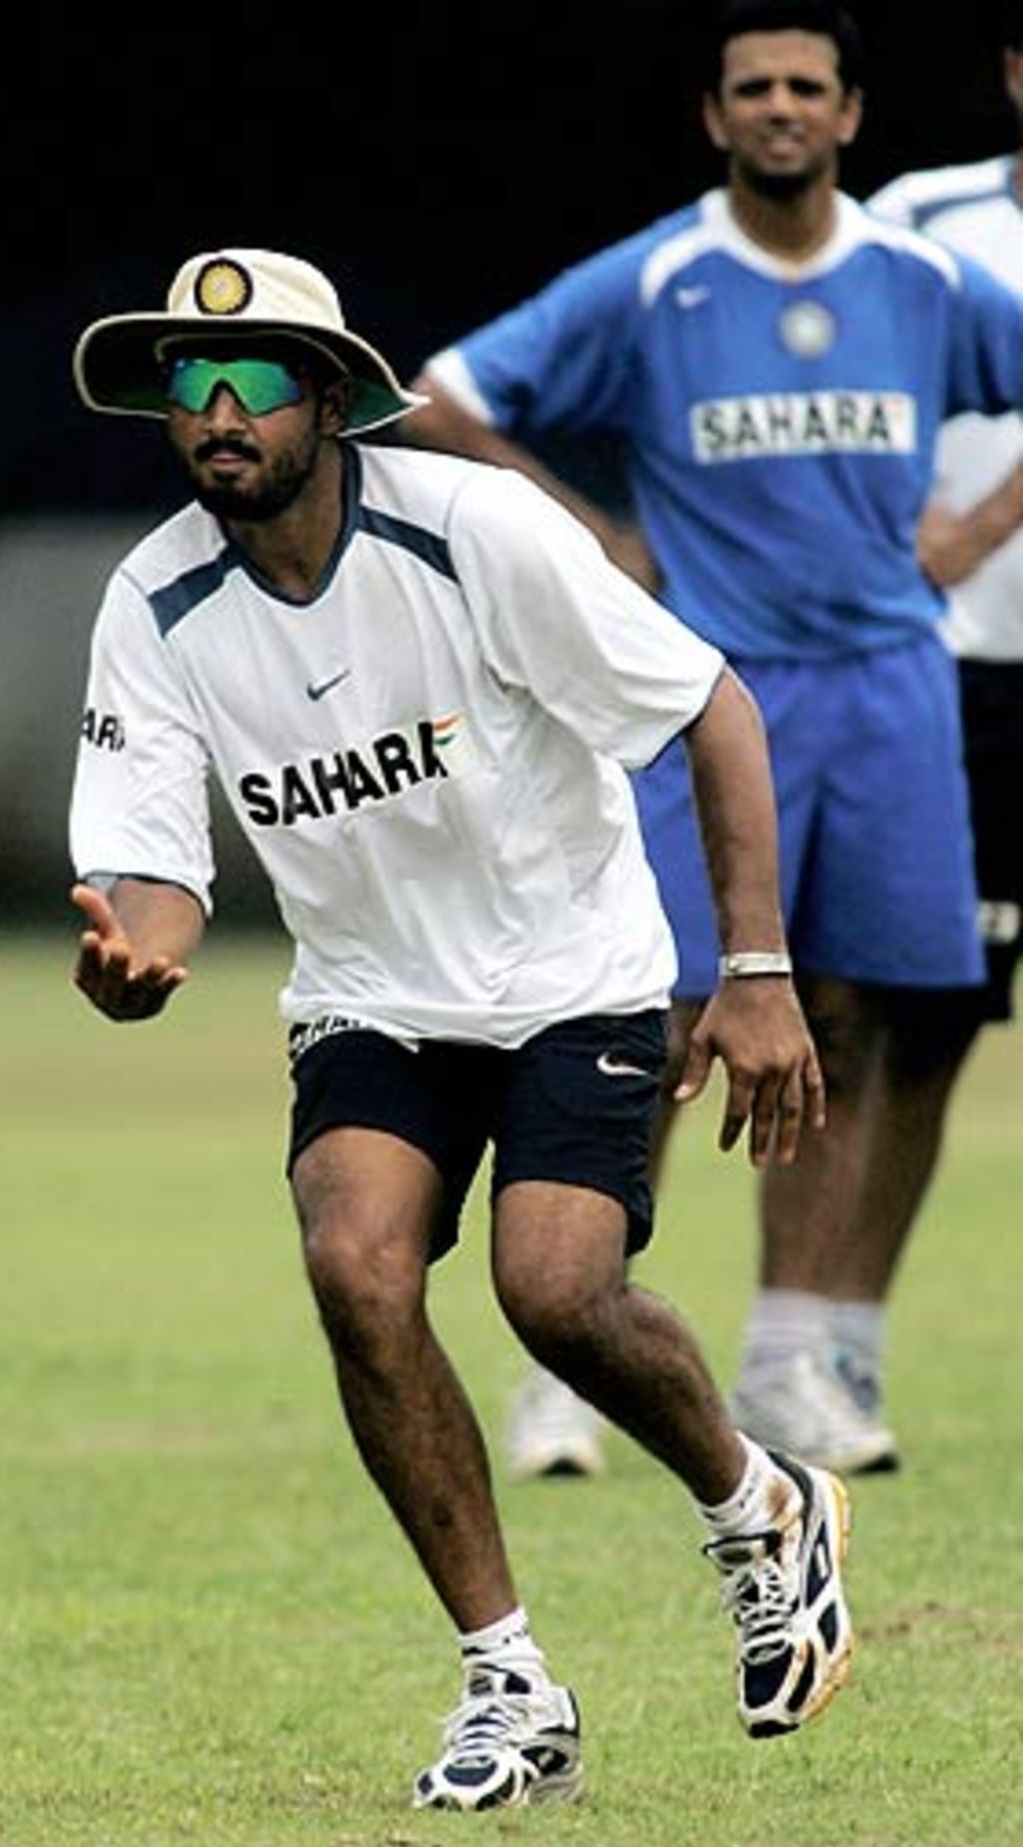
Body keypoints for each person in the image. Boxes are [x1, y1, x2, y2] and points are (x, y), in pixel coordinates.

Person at [66, 243, 851, 1811]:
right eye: (188, 383)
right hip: (372, 994)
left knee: (554, 1293)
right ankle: (509, 1682)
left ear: (332, 400)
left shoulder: (473, 531)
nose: (216, 410)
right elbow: (149, 875)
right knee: (354, 1266)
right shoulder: (154, 600)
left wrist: (754, 968)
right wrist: (129, 960)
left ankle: (762, 1506)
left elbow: (715, 705)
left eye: (256, 378)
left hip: (575, 973)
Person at [400, 0, 1023, 1479]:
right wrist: (594, 536)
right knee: (665, 1016)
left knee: (855, 1021)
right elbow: (441, 397)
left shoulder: (918, 277)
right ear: (715, 115)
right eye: (756, 87)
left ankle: (792, 1363)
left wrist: (975, 527)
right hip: (706, 696)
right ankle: (574, 1357)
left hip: (889, 688)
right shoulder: (658, 280)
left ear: (853, 115)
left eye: (810, 86)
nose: (783, 109)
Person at [853, 14, 1023, 1402]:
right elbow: (836, 360)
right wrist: (915, 520)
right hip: (957, 670)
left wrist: (989, 516)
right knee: (920, 1016)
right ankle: (837, 1344)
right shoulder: (924, 213)